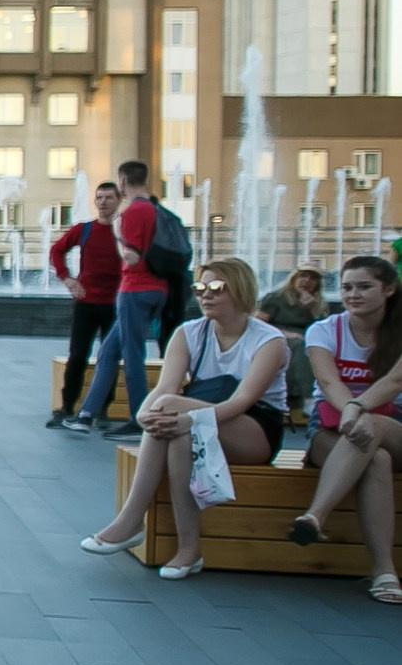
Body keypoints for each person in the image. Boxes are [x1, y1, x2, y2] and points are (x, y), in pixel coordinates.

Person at [81, 258, 288, 580]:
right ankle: (188, 550)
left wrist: (188, 420)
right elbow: (165, 386)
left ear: (240, 290)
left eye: (217, 287)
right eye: (200, 287)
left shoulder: (268, 340)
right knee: (173, 426)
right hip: (198, 417)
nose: (205, 294)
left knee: (173, 411)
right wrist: (145, 417)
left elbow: (243, 401)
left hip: (252, 426)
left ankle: (131, 520)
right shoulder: (189, 333)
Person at [287, 255, 401, 603]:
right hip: (332, 428)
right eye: (347, 286)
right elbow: (328, 380)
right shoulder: (324, 329)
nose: (353, 294)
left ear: (389, 289)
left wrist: (357, 407)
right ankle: (384, 571)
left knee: (377, 429)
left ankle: (316, 515)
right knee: (376, 458)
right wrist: (351, 411)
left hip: (394, 425)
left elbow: (395, 381)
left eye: (364, 287)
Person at [66, 161, 173, 437]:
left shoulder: (135, 212)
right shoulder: (157, 209)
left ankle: (139, 418)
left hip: (135, 289)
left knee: (132, 353)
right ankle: (86, 414)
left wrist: (116, 233)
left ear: (122, 180)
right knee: (109, 351)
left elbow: (132, 256)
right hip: (157, 289)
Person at [48, 183, 123, 425]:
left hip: (116, 304)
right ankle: (66, 408)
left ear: (118, 200)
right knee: (78, 356)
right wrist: (67, 278)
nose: (103, 202)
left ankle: (101, 409)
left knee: (109, 357)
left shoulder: (124, 231)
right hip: (86, 303)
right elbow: (56, 250)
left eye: (109, 198)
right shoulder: (85, 229)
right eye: (99, 197)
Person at [258, 264, 328, 420]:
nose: (306, 281)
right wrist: (283, 333)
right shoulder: (276, 298)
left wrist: (312, 309)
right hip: (277, 335)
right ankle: (306, 397)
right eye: (303, 276)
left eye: (312, 278)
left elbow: (324, 329)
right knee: (300, 347)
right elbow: (259, 324)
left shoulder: (318, 303)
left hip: (306, 337)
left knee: (315, 347)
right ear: (294, 278)